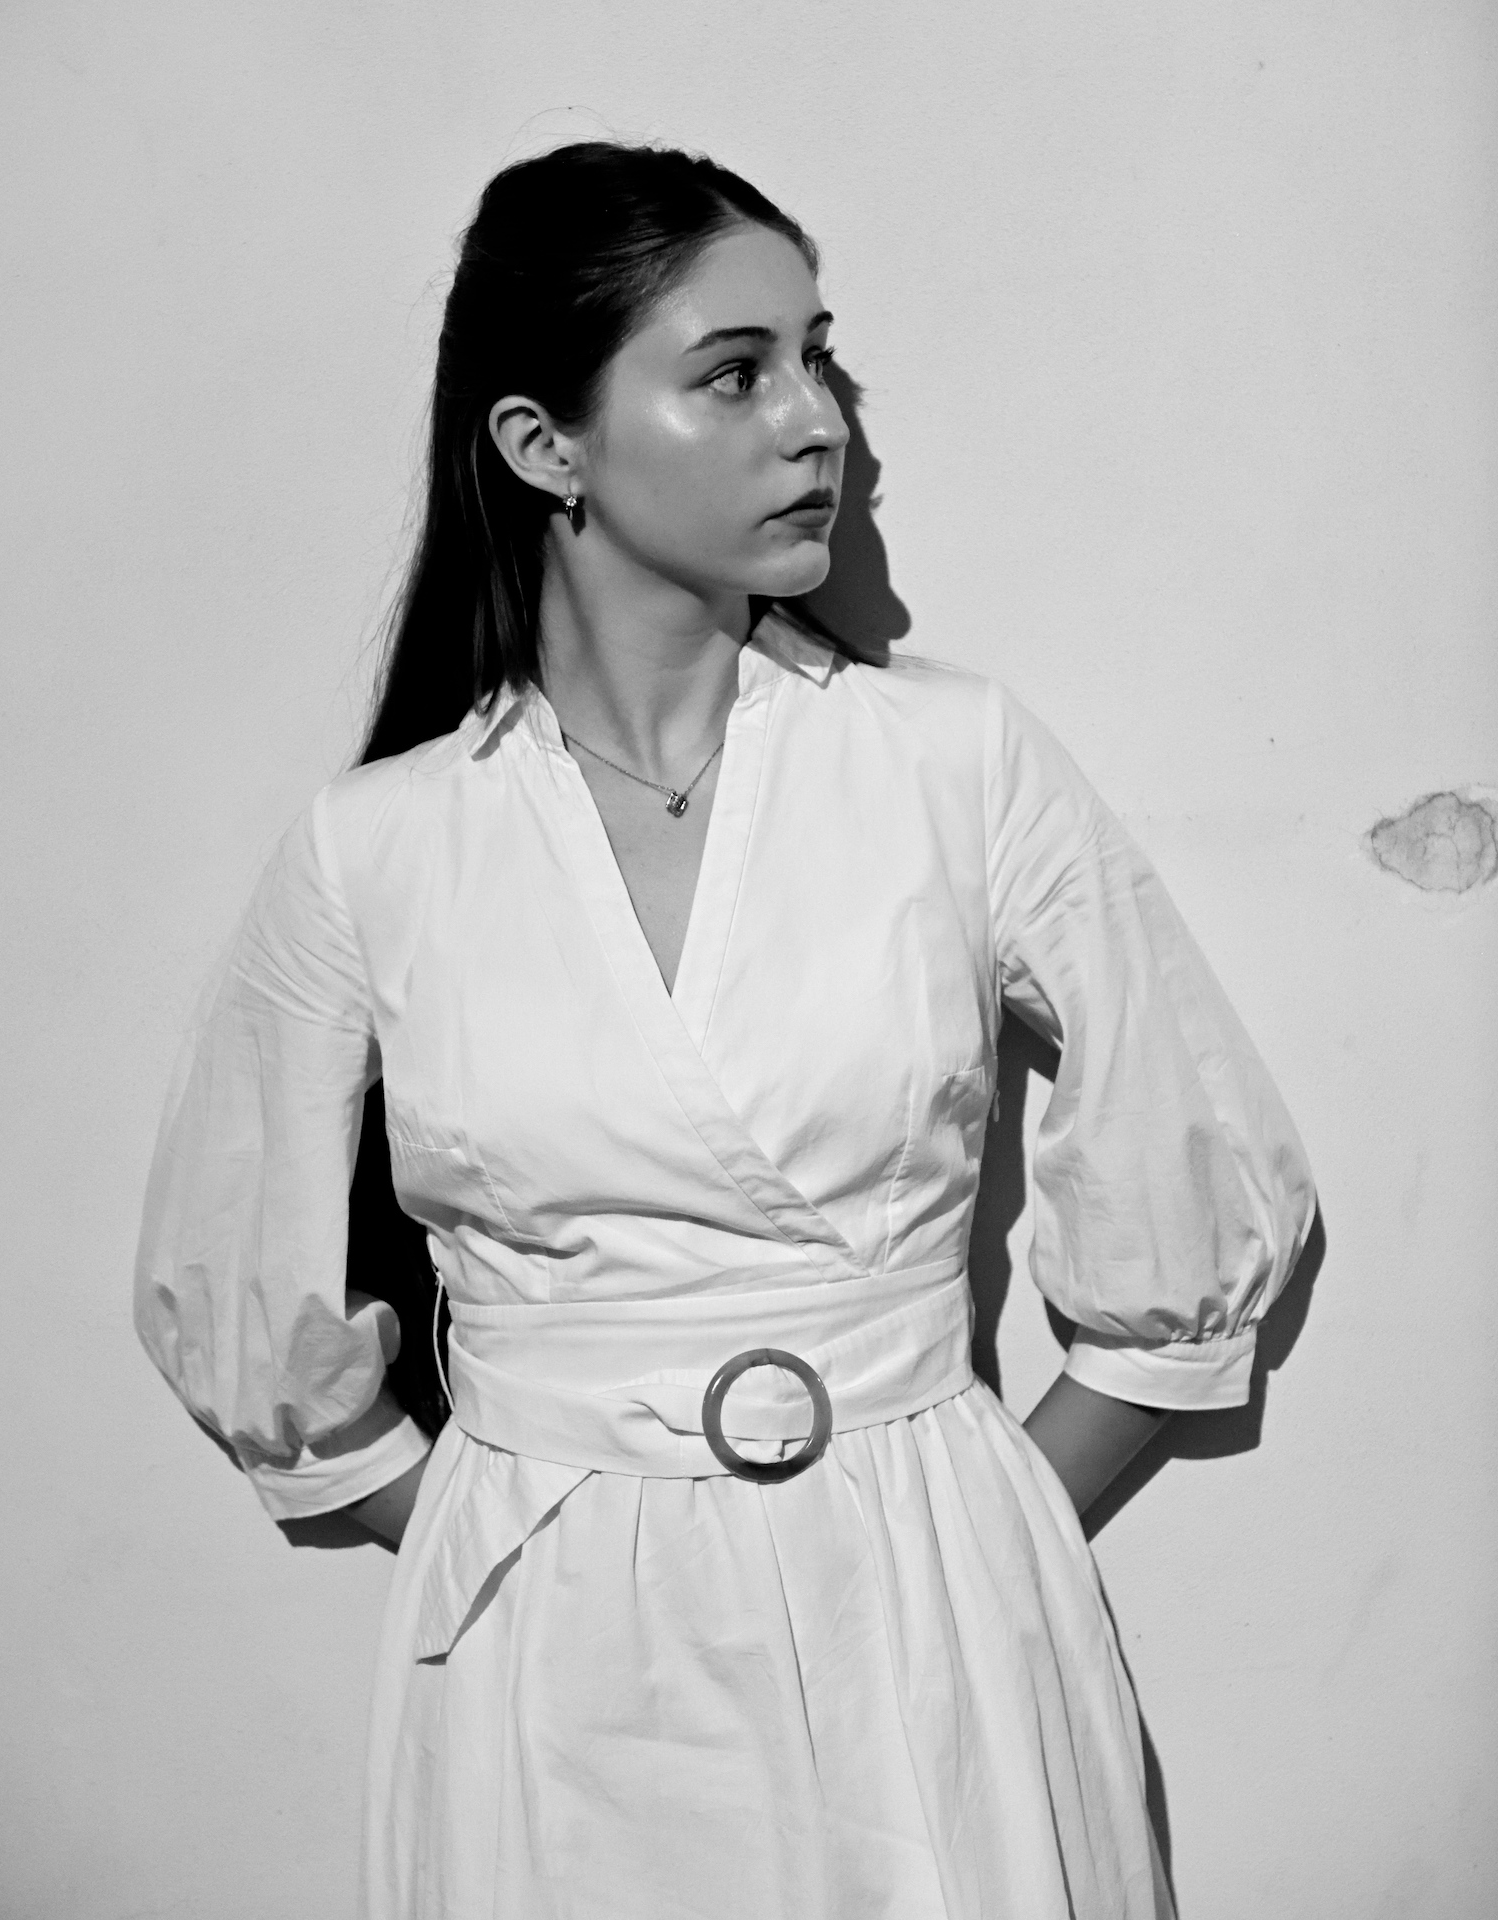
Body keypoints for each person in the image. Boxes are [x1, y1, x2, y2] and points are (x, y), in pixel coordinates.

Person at [134, 141, 1316, 1920]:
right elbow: (238, 1286)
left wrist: (974, 1518)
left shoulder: (952, 762)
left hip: (929, 1610)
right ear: (546, 446)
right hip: (551, 1660)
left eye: (820, 361)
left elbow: (1190, 1165)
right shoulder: (376, 849)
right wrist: (512, 1532)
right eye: (737, 372)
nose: (818, 423)